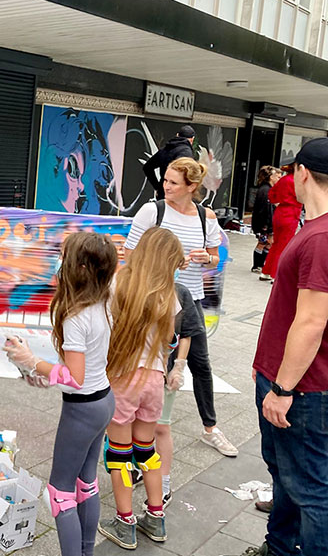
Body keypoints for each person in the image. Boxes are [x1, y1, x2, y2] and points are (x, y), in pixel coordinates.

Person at [3, 232, 118, 556]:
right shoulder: (105, 296)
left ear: (78, 268)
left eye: (64, 256)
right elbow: (76, 371)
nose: (58, 263)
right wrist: (42, 374)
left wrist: (32, 361)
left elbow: (74, 378)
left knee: (60, 493)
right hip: (103, 401)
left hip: (83, 409)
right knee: (87, 483)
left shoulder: (75, 315)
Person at [125, 157, 238, 457]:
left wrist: (207, 259)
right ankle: (136, 428)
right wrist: (166, 264)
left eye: (173, 183)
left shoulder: (205, 217)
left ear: (193, 187)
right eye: (165, 180)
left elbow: (217, 257)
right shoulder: (153, 210)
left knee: (200, 364)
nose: (165, 187)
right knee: (148, 362)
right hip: (154, 300)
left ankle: (210, 428)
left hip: (191, 299)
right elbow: (129, 256)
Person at [248, 137, 328, 556]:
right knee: (287, 475)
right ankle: (279, 546)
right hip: (295, 381)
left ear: (302, 174)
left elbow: (312, 321)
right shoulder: (315, 229)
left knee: (312, 491)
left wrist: (282, 390)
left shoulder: (320, 237)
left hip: (301, 387)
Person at [98, 227, 184, 550]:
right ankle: (155, 516)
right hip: (154, 381)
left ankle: (124, 522)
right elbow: (170, 341)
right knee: (147, 452)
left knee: (119, 456)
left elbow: (107, 326)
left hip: (123, 378)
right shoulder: (169, 293)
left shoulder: (120, 282)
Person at [153, 281, 201, 508]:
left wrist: (179, 366)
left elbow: (186, 334)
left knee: (161, 426)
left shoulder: (180, 291)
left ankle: (164, 482)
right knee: (133, 426)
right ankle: (137, 468)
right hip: (135, 371)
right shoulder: (132, 285)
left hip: (164, 372)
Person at [260, 163, 302, 281]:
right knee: (284, 245)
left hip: (280, 212)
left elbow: (272, 195)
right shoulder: (296, 181)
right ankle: (276, 274)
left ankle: (266, 271)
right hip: (291, 213)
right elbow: (303, 197)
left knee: (276, 243)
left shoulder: (283, 179)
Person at [142, 125, 196, 199]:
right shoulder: (186, 152)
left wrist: (158, 187)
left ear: (177, 135)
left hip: (163, 194)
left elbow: (147, 167)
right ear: (192, 139)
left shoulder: (166, 149)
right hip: (176, 198)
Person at [252, 166, 281, 273]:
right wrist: (266, 226)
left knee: (268, 243)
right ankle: (257, 265)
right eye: (277, 177)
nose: (279, 179)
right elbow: (264, 210)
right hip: (264, 224)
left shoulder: (268, 189)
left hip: (267, 223)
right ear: (271, 177)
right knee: (263, 243)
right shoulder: (265, 191)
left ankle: (261, 264)